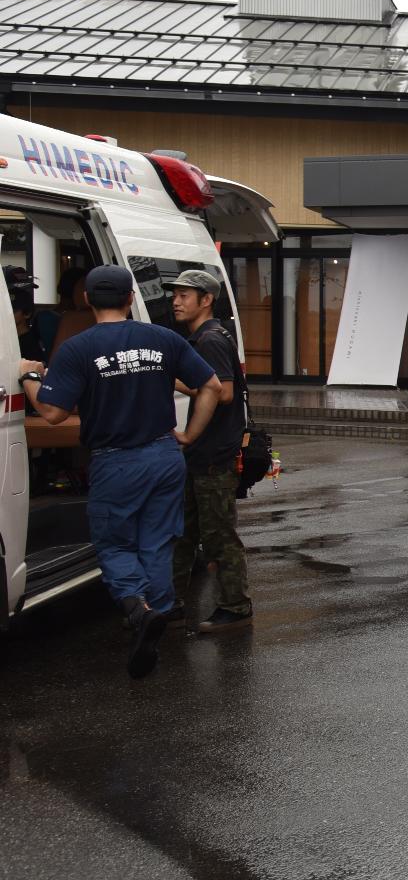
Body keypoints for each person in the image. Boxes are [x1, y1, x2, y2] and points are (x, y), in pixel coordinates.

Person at [19, 265, 224, 679]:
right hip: (165, 456)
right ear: (131, 298)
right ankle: (157, 615)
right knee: (157, 542)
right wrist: (189, 435)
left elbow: (54, 412)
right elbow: (213, 386)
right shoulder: (163, 339)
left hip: (117, 461)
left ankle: (136, 607)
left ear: (88, 301)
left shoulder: (77, 348)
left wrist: (29, 375)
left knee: (114, 543)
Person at [167, 269, 253, 634]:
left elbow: (223, 391)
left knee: (218, 534)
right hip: (202, 454)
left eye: (185, 295)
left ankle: (235, 606)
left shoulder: (211, 340)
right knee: (182, 530)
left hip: (215, 455)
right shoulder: (204, 337)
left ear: (206, 300)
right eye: (175, 294)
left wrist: (176, 381)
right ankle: (168, 605)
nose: (176, 301)